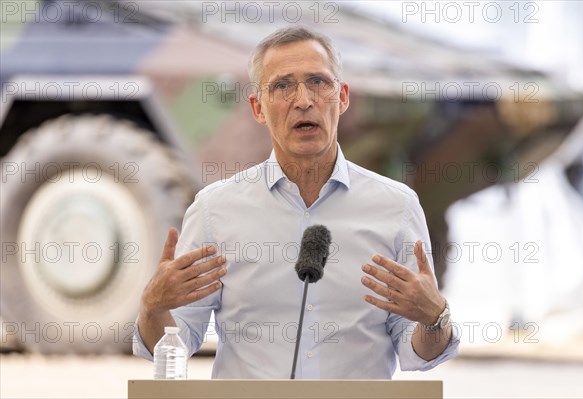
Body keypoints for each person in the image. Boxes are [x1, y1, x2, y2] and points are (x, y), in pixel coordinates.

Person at [133, 26, 459, 379]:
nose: (303, 100)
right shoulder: (215, 211)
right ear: (258, 107)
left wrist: (434, 316)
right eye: (283, 86)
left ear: (343, 97)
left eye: (318, 82)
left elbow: (422, 353)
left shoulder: (396, 208)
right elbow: (171, 344)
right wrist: (153, 307)